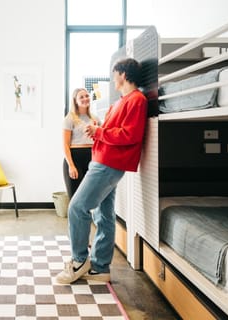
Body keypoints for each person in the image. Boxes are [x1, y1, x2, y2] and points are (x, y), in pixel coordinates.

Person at [56, 58, 148, 284]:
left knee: (77, 207)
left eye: (114, 73)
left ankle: (79, 261)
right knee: (104, 215)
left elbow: (130, 135)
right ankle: (100, 268)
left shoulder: (137, 100)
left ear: (123, 75)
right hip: (102, 161)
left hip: (108, 163)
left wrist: (98, 132)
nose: (112, 77)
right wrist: (98, 132)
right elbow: (110, 131)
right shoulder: (121, 101)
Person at [63, 88, 100, 199]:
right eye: (81, 97)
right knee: (75, 199)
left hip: (92, 158)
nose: (85, 99)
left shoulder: (95, 118)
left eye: (87, 96)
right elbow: (65, 144)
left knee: (88, 198)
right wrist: (71, 165)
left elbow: (102, 137)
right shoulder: (70, 119)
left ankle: (87, 217)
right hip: (75, 159)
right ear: (75, 101)